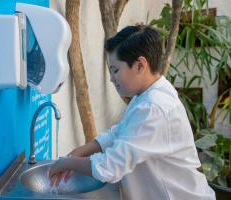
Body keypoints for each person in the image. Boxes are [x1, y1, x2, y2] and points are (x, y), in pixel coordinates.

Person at [48, 25, 216, 200]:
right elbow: (121, 132)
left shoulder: (153, 107)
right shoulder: (148, 94)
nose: (112, 79)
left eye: (115, 70)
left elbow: (110, 166)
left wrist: (67, 162)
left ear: (140, 65)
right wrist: (80, 151)